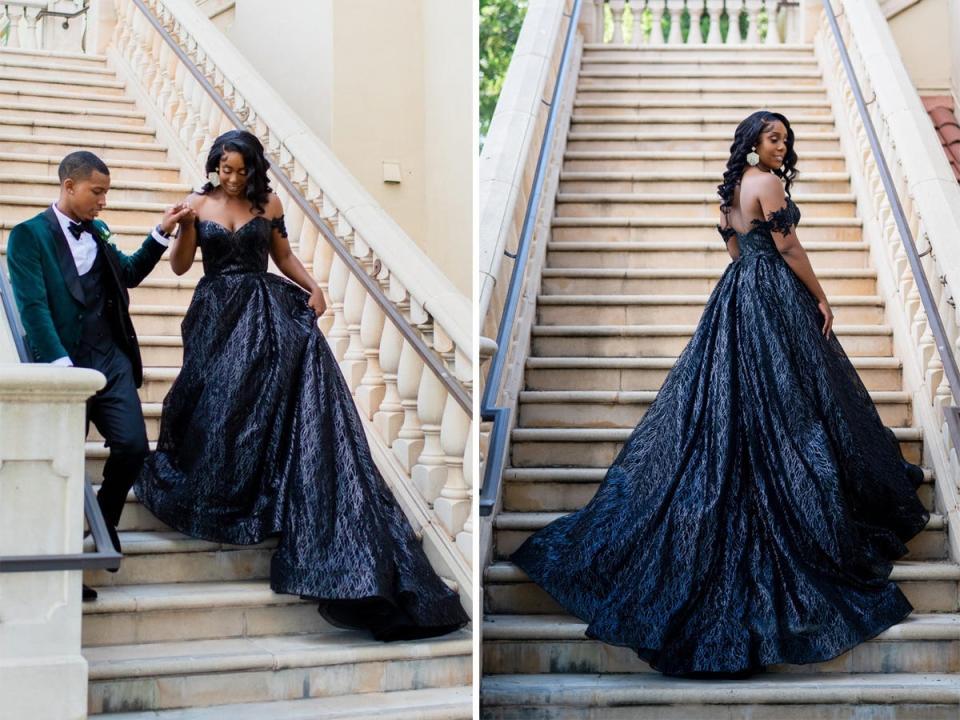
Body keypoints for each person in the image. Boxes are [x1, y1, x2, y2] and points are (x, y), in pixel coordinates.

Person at [510, 110, 930, 677]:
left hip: (736, 297)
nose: (782, 146)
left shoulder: (731, 191)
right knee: (795, 406)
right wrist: (823, 299)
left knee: (736, 407)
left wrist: (752, 283)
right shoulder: (768, 183)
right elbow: (790, 251)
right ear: (753, 143)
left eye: (785, 138)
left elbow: (738, 251)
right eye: (773, 137)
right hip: (774, 296)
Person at [134, 129, 468, 641]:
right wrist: (179, 229)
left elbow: (283, 257)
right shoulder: (198, 202)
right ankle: (217, 492)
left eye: (240, 169)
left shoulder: (268, 202)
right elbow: (182, 268)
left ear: (253, 169)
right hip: (216, 314)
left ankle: (271, 499)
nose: (232, 177)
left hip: (265, 312)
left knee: (269, 405)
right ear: (214, 165)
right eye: (225, 168)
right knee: (217, 406)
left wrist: (312, 287)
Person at [6, 150, 191, 601]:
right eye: (97, 192)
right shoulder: (28, 237)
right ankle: (70, 571)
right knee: (63, 466)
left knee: (132, 445)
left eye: (107, 193)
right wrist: (61, 369)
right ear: (69, 187)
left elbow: (126, 273)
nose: (103, 202)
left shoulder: (98, 230)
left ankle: (103, 523)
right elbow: (33, 307)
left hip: (110, 359)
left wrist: (161, 233)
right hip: (63, 364)